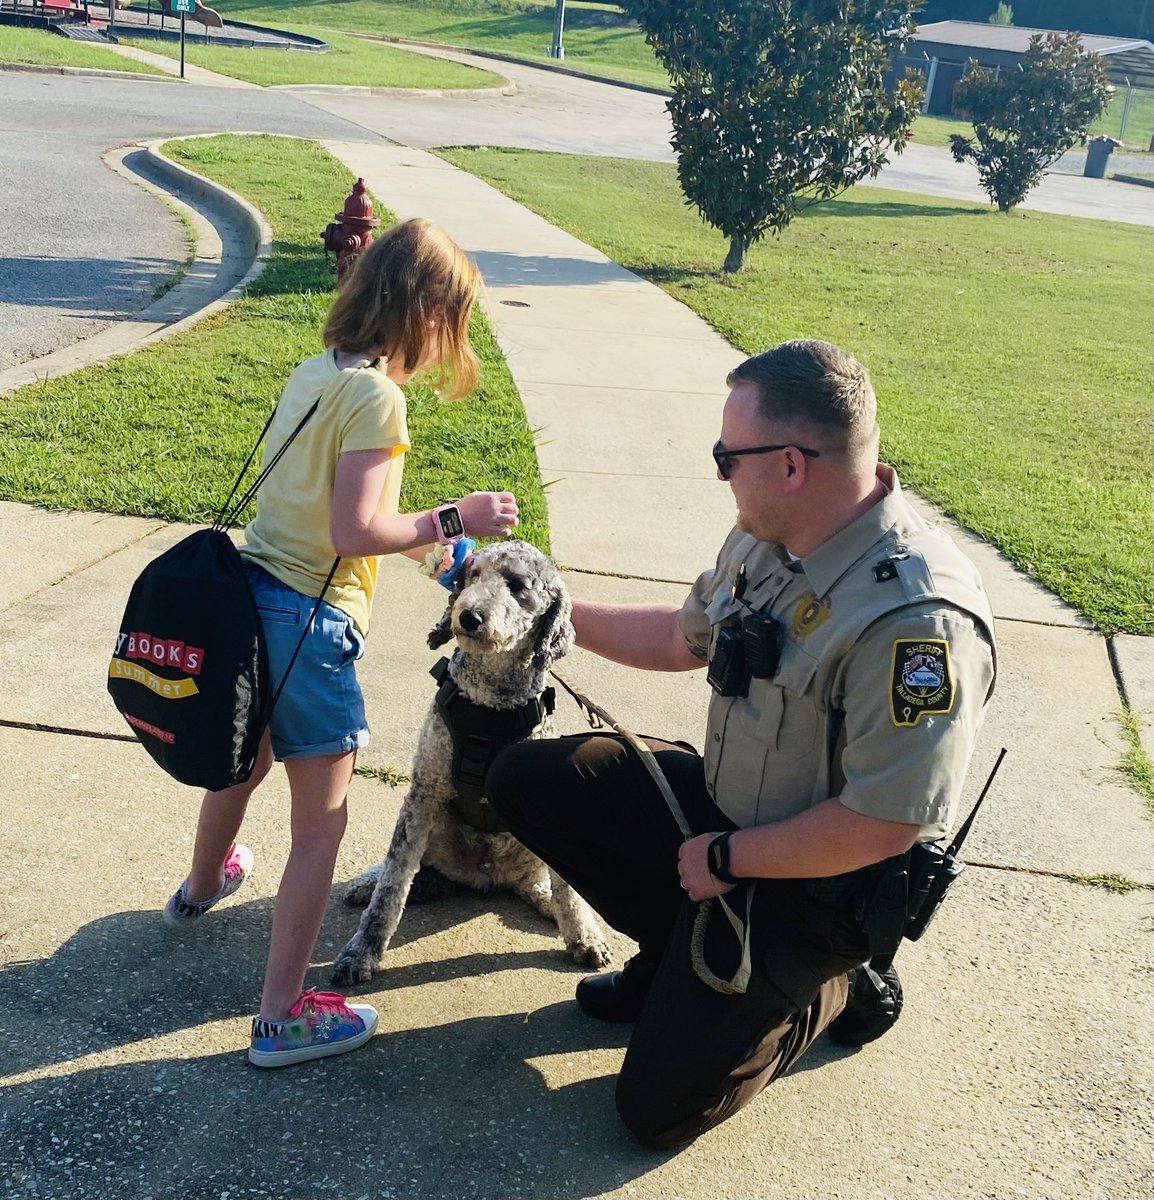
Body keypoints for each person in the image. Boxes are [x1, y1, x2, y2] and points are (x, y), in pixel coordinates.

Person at [486, 338, 996, 1147]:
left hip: (818, 889)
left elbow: (887, 822)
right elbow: (686, 638)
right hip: (725, 815)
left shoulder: (915, 623)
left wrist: (730, 861)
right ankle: (678, 952)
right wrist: (554, 616)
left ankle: (829, 990)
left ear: (791, 464)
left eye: (727, 455)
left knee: (655, 1111)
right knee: (524, 779)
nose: (719, 469)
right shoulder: (768, 535)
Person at [161, 218, 520, 1069]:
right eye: (452, 321)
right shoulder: (381, 398)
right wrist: (454, 517)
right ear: (426, 310)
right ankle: (282, 1018)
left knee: (242, 768)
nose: (450, 342)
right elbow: (355, 528)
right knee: (322, 827)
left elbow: (324, 517)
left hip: (254, 599)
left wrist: (442, 556)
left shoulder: (320, 372)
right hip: (310, 628)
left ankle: (200, 889)